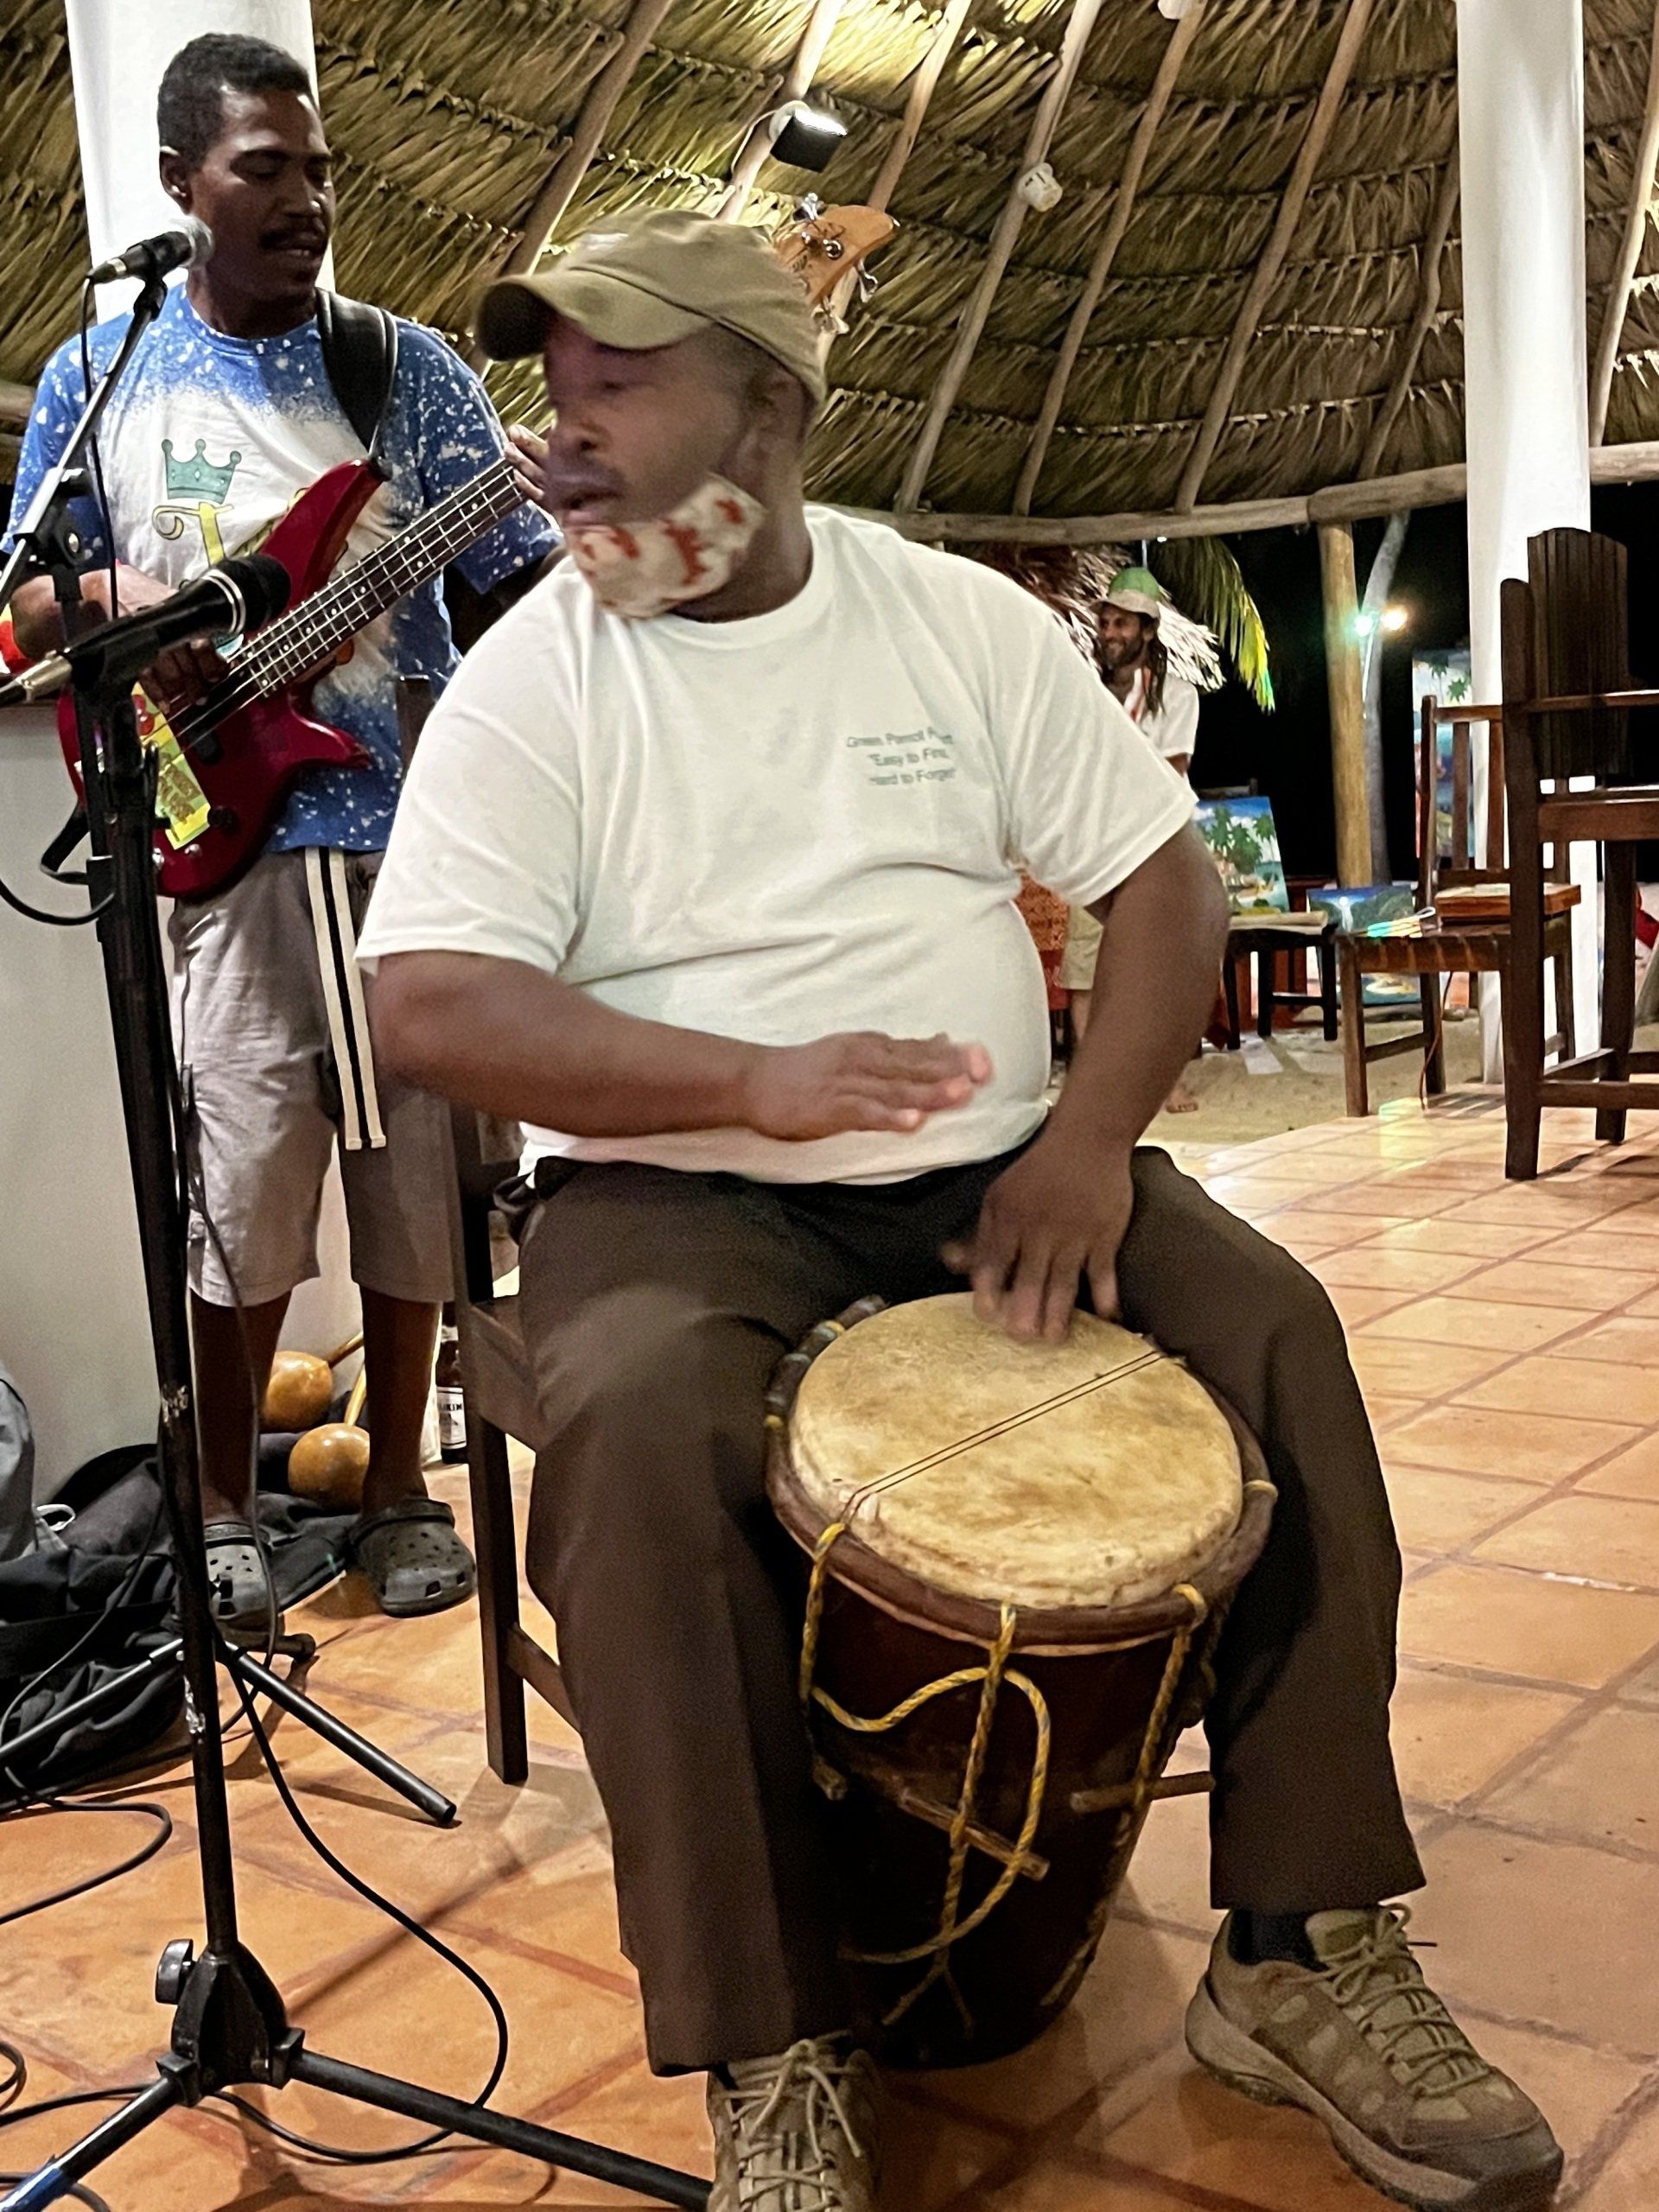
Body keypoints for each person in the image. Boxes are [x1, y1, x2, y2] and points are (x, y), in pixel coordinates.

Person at [358, 210, 1563, 2212]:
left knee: (1275, 1323)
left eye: (616, 392)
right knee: (642, 1442)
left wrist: (1088, 1140)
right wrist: (743, 1082)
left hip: (992, 1165)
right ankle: (774, 2041)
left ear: (772, 411)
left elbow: (1161, 883)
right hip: (678, 1198)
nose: (560, 443)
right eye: (551, 398)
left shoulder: (951, 624)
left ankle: (1295, 1945)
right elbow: (432, 997)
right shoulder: (537, 678)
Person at [3, 34, 558, 1624]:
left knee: (417, 1184)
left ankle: (396, 1490)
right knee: (237, 1180)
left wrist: (580, 557)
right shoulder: (101, 379)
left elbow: (509, 581)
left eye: (318, 171)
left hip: (414, 834)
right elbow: (26, 588)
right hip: (218, 834)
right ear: (183, 186)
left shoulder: (407, 371)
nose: (307, 199)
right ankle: (226, 1498)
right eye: (267, 170)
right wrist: (122, 602)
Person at [1061, 567, 1205, 1109]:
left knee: (1155, 969)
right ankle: (1093, 1085)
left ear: (1147, 630)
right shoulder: (1086, 692)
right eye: (1106, 621)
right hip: (1092, 844)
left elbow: (1171, 772)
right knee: (1085, 971)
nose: (1110, 632)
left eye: (1122, 623)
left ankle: (1163, 1082)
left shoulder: (1177, 695)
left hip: (1150, 847)